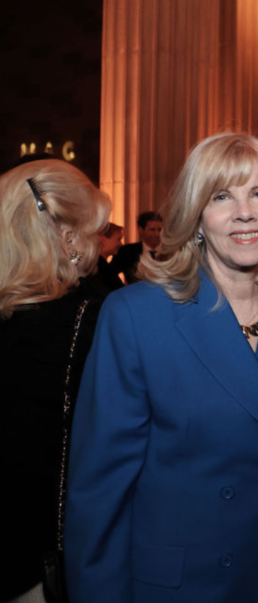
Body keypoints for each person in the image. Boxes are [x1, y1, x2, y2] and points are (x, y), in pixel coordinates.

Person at [65, 133, 258, 603]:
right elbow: (98, 493)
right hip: (185, 584)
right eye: (221, 196)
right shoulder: (136, 316)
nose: (244, 212)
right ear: (196, 216)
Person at [0, 159, 110, 602]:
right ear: (69, 237)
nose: (101, 244)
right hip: (49, 557)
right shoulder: (95, 317)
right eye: (96, 231)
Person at [110, 210, 163, 284]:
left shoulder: (170, 252)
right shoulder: (126, 252)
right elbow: (110, 275)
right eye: (152, 230)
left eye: (160, 230)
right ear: (141, 230)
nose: (157, 234)